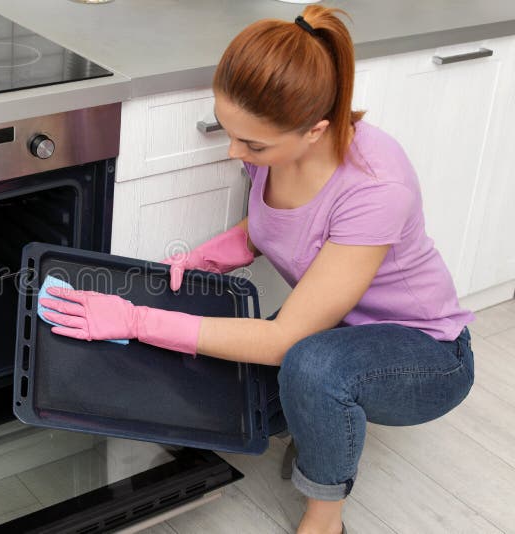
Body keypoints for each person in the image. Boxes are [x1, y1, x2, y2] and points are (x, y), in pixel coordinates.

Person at [39, 6, 475, 534]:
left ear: (314, 132)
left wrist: (135, 320)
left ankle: (325, 516)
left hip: (423, 352)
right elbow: (273, 226)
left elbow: (284, 339)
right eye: (229, 132)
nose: (234, 152)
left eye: (251, 145)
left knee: (312, 369)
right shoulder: (270, 149)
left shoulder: (376, 186)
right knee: (225, 415)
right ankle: (322, 422)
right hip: (329, 325)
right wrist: (203, 257)